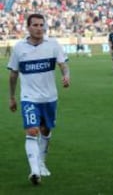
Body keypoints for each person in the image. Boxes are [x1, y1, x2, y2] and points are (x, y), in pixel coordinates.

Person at [7, 13, 70, 185]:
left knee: (46, 131)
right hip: (29, 98)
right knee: (32, 131)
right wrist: (12, 97)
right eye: (35, 25)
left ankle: (41, 162)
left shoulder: (53, 45)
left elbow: (63, 65)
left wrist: (66, 75)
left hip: (49, 97)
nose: (39, 28)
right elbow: (13, 75)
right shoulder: (19, 48)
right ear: (28, 27)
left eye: (42, 25)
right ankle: (34, 171)